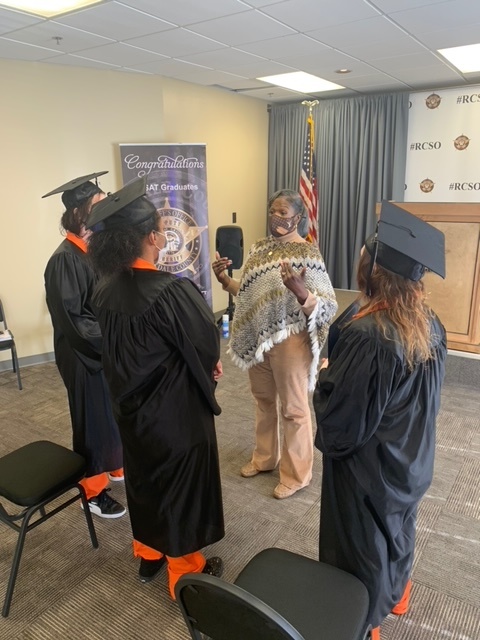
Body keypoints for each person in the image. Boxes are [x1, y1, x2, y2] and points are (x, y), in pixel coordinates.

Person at [313, 201, 448, 639]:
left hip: (369, 472)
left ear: (371, 272)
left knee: (362, 545)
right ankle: (398, 594)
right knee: (397, 529)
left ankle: (364, 622)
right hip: (409, 457)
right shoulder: (430, 323)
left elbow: (341, 428)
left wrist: (325, 379)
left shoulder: (370, 338)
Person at [86, 177, 224, 598]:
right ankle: (184, 572)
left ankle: (148, 552)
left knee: (144, 476)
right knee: (180, 483)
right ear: (150, 238)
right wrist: (209, 367)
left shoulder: (104, 287)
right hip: (174, 409)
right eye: (161, 229)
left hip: (130, 407)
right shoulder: (170, 291)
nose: (163, 235)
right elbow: (204, 344)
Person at [212, 189, 337, 499]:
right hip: (259, 338)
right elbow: (251, 295)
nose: (277, 218)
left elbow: (328, 305)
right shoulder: (259, 249)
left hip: (291, 339)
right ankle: (265, 458)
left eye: (284, 213)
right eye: (273, 212)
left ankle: (297, 475)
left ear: (298, 217)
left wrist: (301, 292)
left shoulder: (309, 254)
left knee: (294, 408)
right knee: (263, 400)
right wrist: (225, 281)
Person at [43, 172, 125, 519]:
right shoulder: (65, 260)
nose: (106, 209)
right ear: (79, 214)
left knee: (111, 412)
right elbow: (76, 321)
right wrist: (113, 343)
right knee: (92, 420)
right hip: (83, 354)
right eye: (98, 204)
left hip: (103, 348)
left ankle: (115, 464)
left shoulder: (94, 251)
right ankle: (92, 492)